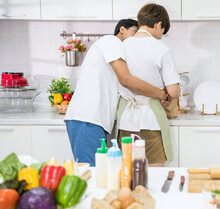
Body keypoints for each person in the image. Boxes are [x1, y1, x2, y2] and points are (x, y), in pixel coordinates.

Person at [65, 19, 169, 166]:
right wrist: (161, 94)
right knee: (91, 173)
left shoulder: (120, 54)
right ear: (122, 30)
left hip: (95, 120)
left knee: (100, 173)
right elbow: (126, 80)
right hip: (88, 118)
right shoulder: (111, 42)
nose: (137, 37)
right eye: (135, 32)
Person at [115, 4, 180, 167]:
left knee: (127, 172)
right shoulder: (162, 49)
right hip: (150, 120)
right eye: (163, 31)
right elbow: (173, 91)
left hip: (125, 119)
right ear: (159, 25)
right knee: (155, 174)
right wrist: (165, 94)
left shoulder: (122, 46)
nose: (161, 36)